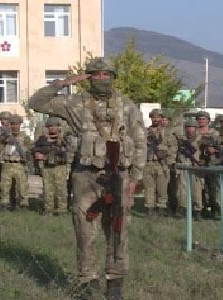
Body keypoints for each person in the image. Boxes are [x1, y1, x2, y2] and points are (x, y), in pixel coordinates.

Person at [27, 57, 146, 300]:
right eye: (95, 74)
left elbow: (141, 141)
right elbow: (36, 102)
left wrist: (136, 178)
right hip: (86, 176)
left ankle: (114, 283)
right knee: (84, 229)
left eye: (106, 74)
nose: (102, 78)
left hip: (119, 175)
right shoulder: (74, 102)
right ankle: (87, 282)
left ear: (114, 76)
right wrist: (66, 82)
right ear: (88, 78)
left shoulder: (128, 105)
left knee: (118, 229)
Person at [33, 116, 71, 215]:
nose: (52, 128)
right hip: (47, 168)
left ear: (59, 127)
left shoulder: (64, 139)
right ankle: (48, 209)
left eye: (54, 126)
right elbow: (35, 149)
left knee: (61, 189)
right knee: (47, 189)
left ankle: (62, 210)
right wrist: (38, 155)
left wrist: (49, 152)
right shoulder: (42, 139)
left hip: (59, 167)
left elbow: (67, 151)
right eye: (50, 126)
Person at [0, 114, 32, 211]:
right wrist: (6, 140)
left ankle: (23, 205)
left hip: (19, 164)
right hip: (7, 164)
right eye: (12, 124)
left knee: (22, 186)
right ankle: (4, 205)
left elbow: (29, 150)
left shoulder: (25, 137)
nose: (15, 126)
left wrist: (27, 160)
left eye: (17, 124)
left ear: (20, 124)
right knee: (4, 186)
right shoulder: (5, 136)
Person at [144, 109, 171, 216]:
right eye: (153, 117)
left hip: (162, 164)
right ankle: (149, 209)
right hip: (149, 162)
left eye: (158, 117)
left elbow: (173, 147)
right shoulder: (146, 132)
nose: (156, 119)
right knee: (149, 188)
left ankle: (161, 209)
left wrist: (165, 153)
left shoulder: (167, 132)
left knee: (162, 188)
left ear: (161, 118)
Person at [177, 118, 204, 220]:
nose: (190, 130)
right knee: (182, 190)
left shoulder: (201, 140)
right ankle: (184, 210)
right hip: (184, 167)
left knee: (196, 190)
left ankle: (197, 211)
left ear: (196, 129)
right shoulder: (182, 140)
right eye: (188, 127)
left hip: (196, 168)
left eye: (192, 127)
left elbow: (205, 154)